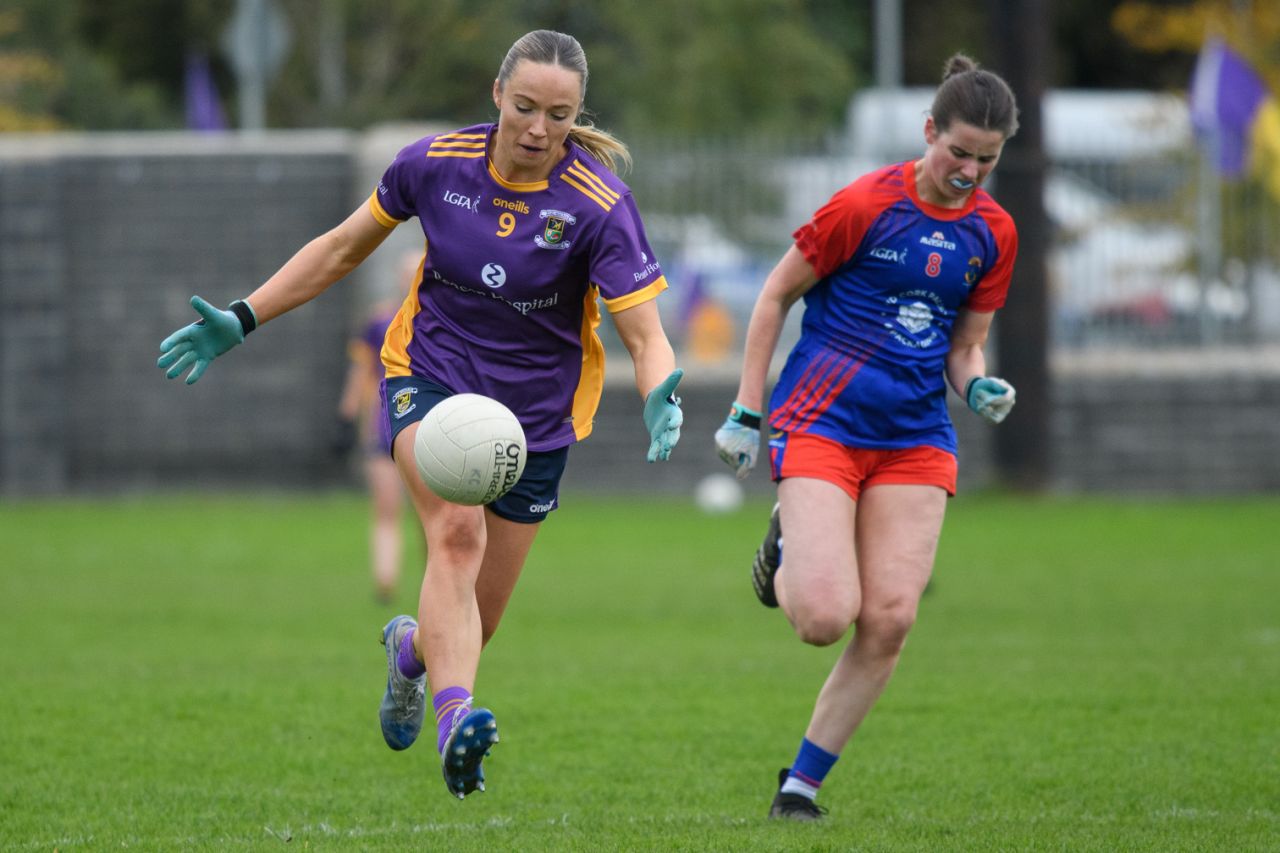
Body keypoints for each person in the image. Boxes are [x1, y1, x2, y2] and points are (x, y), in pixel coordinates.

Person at [158, 29, 684, 801]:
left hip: (535, 418)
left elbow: (646, 332)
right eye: (527, 106)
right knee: (455, 532)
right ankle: (455, 721)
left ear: (577, 117)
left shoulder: (599, 204)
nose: (540, 129)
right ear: (498, 95)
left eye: (560, 115)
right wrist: (245, 315)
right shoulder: (434, 166)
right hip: (427, 375)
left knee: (475, 619)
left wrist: (660, 389)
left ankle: (410, 652)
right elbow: (342, 248)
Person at [714, 53, 1019, 821]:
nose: (969, 171)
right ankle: (783, 544)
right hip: (823, 419)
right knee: (823, 618)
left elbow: (963, 345)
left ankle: (800, 787)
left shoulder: (993, 233)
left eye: (986, 159)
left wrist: (977, 383)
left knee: (890, 617)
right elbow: (776, 293)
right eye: (958, 152)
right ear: (929, 133)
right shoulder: (864, 205)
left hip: (916, 435)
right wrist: (747, 411)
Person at [333, 252, 420, 605]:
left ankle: (442, 585)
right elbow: (362, 372)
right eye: (407, 273)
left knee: (437, 519)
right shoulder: (380, 322)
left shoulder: (442, 323)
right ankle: (385, 583)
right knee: (386, 508)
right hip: (384, 427)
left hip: (430, 432)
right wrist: (346, 416)